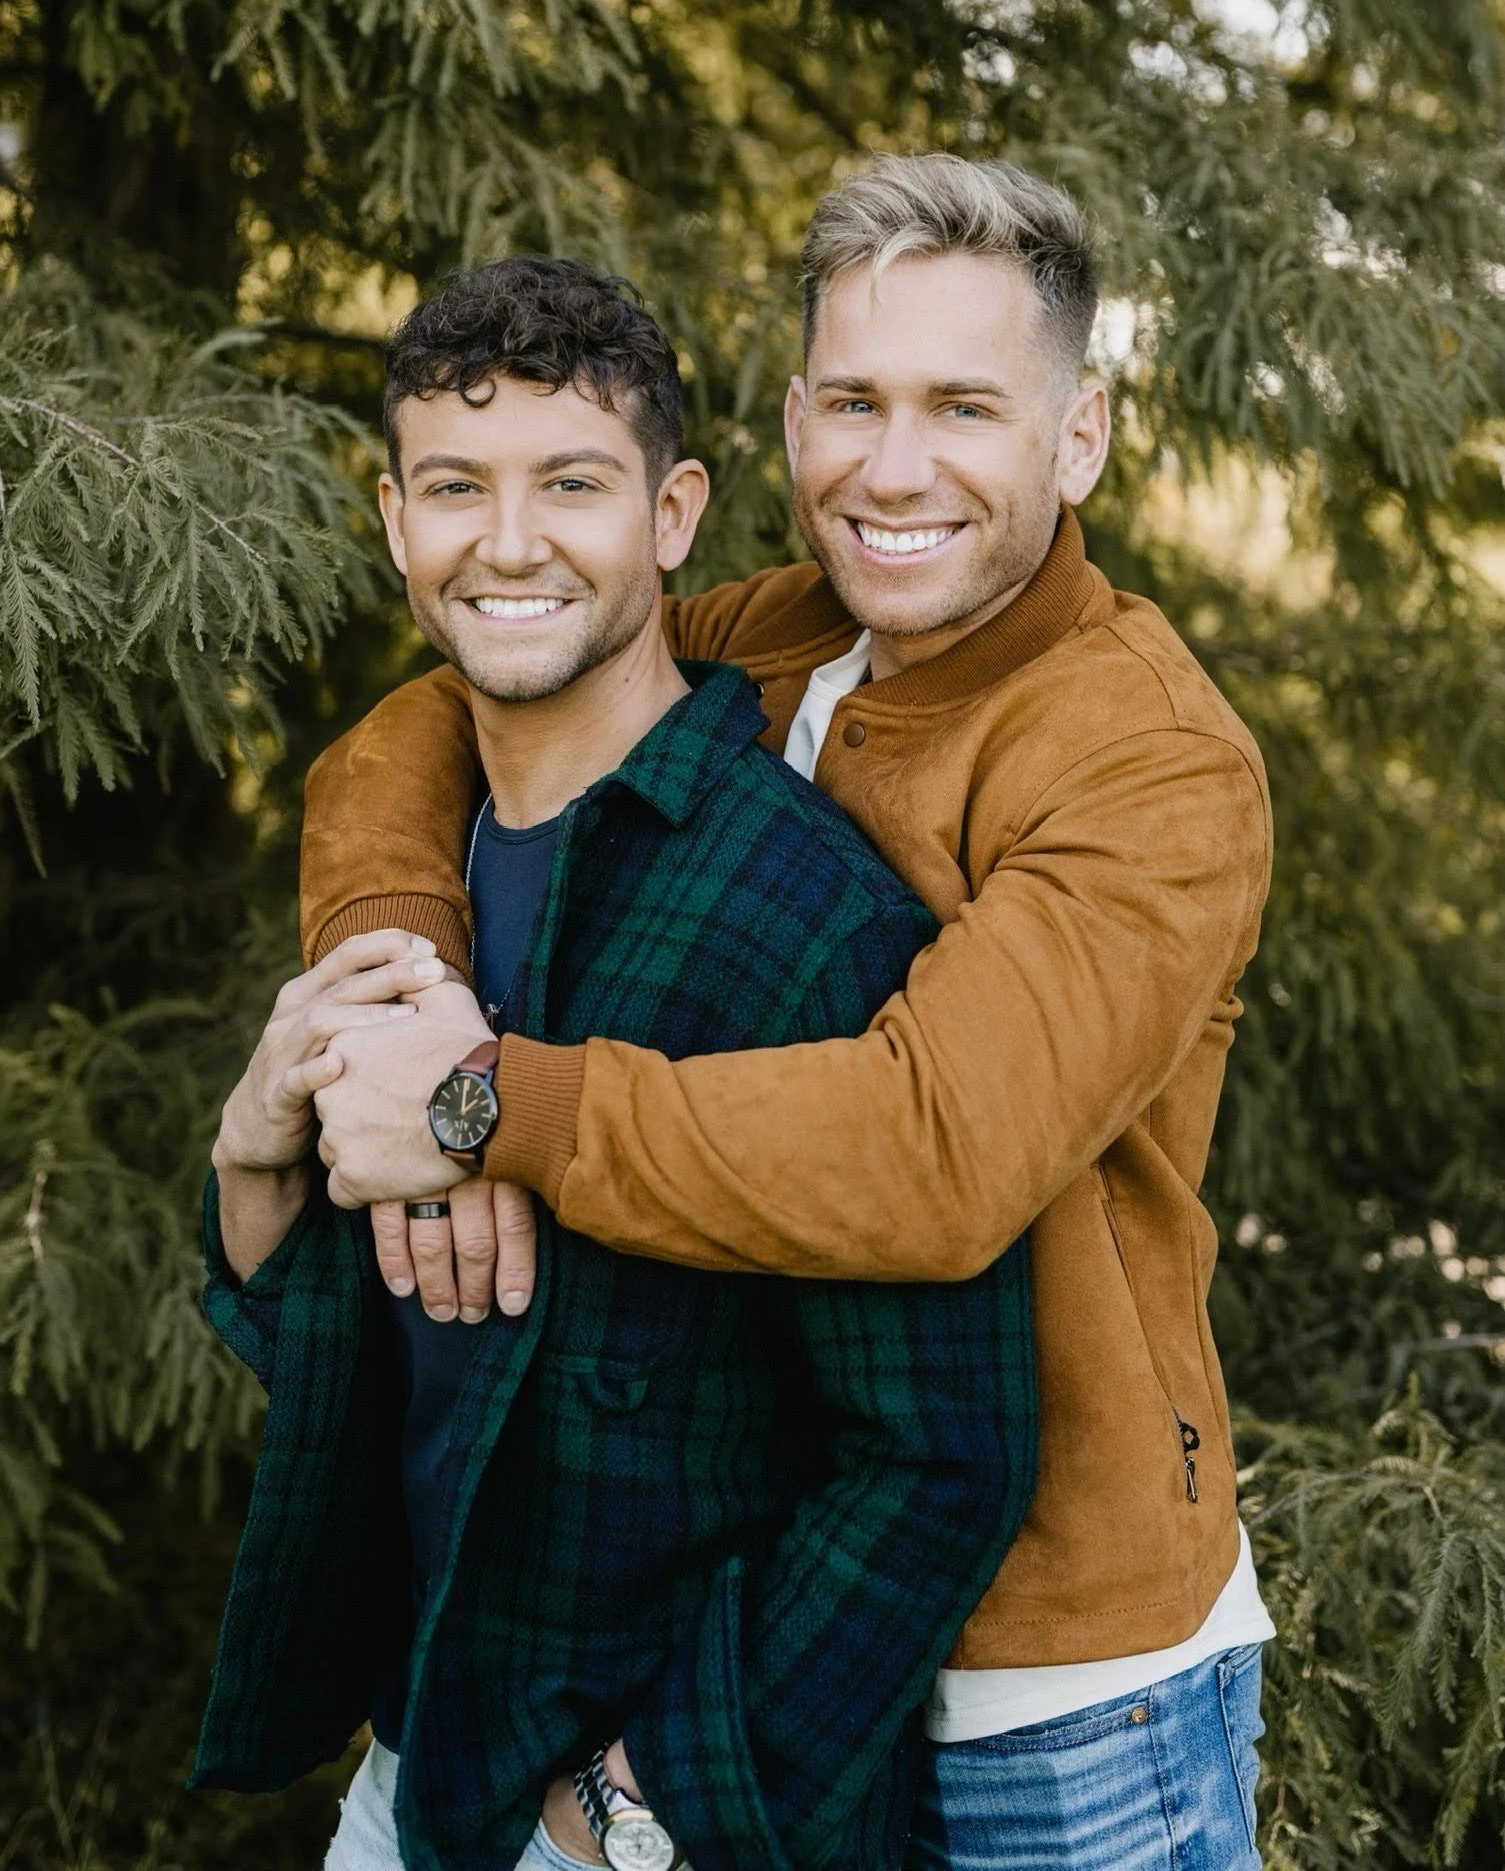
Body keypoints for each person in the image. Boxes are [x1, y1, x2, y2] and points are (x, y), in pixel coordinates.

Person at [300, 156, 1277, 1870]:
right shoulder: (782, 638)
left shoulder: (1152, 762)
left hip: (1057, 1700)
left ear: (1079, 438)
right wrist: (403, 971)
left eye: (964, 407)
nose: (894, 469)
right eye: (854, 402)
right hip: (778, 1628)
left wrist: (480, 1102)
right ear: (793, 418)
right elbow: (454, 698)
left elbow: (930, 1150)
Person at [194, 256, 1039, 1871]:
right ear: (396, 523)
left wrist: (633, 1811)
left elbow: (943, 1460)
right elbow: (358, 1360)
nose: (509, 543)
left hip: (643, 1815)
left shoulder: (807, 918)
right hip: (410, 1773)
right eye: (459, 488)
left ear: (673, 514)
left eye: (572, 484)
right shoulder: (409, 903)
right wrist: (251, 1147)